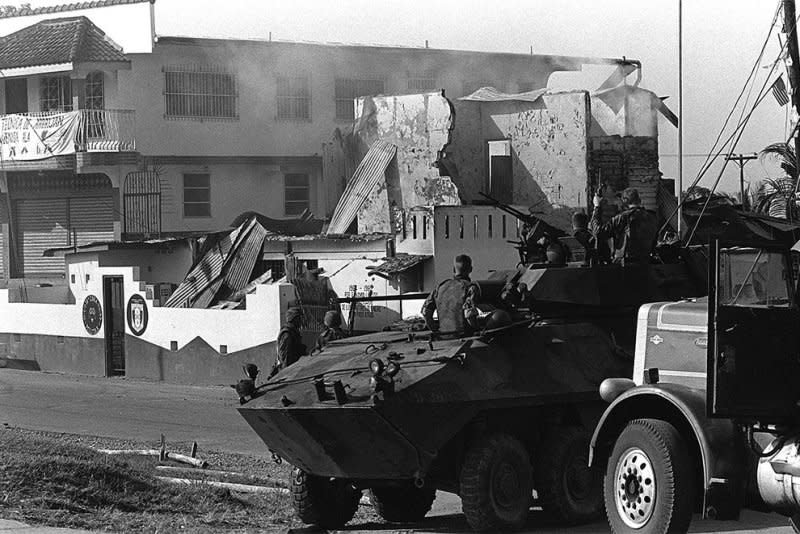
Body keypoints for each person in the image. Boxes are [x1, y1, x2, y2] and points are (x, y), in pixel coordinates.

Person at [590, 187, 658, 265]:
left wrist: (596, 207)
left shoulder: (623, 217)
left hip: (625, 267)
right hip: (646, 264)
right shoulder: (652, 217)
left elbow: (598, 232)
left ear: (624, 201)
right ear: (639, 200)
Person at [422, 254, 477, 334]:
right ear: (471, 269)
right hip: (465, 337)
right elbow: (469, 314)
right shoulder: (470, 288)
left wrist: (435, 330)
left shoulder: (440, 288)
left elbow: (426, 312)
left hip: (443, 337)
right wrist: (478, 329)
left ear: (454, 269)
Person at [269, 307, 307, 378]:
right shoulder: (287, 333)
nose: (301, 321)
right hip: (288, 371)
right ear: (294, 319)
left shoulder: (294, 332)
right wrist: (287, 374)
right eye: (299, 318)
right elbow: (285, 356)